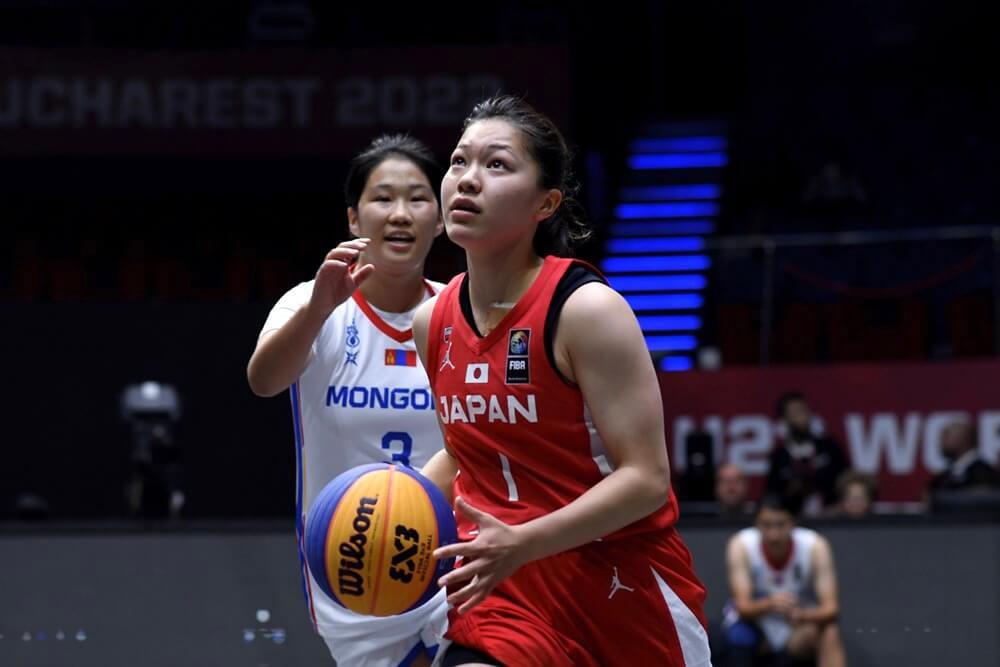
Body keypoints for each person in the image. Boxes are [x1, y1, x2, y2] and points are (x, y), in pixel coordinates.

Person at [413, 96, 711, 666]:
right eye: (458, 162)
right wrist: (388, 503)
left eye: (496, 165)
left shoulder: (587, 311)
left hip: (620, 587)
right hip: (500, 593)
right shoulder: (433, 320)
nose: (467, 180)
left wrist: (525, 542)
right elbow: (464, 452)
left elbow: (647, 479)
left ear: (544, 203)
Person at [246, 134, 448, 667]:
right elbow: (264, 380)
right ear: (355, 220)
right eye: (383, 198)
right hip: (354, 565)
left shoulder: (462, 310)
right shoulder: (311, 302)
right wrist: (319, 307)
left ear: (443, 218)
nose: (400, 214)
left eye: (418, 198)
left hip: (454, 557)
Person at [723, 494, 845, 667]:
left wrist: (802, 615)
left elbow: (831, 608)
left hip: (796, 626)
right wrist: (770, 604)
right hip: (756, 625)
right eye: (766, 525)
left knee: (830, 632)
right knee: (738, 636)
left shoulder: (815, 546)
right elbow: (743, 607)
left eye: (780, 525)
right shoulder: (741, 545)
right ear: (757, 524)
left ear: (793, 523)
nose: (774, 534)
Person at [766, 391, 849, 516]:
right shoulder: (779, 456)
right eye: (794, 412)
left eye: (804, 410)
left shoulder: (829, 447)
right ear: (784, 419)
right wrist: (791, 490)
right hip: (793, 518)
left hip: (831, 517)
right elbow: (771, 495)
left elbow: (846, 482)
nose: (801, 416)